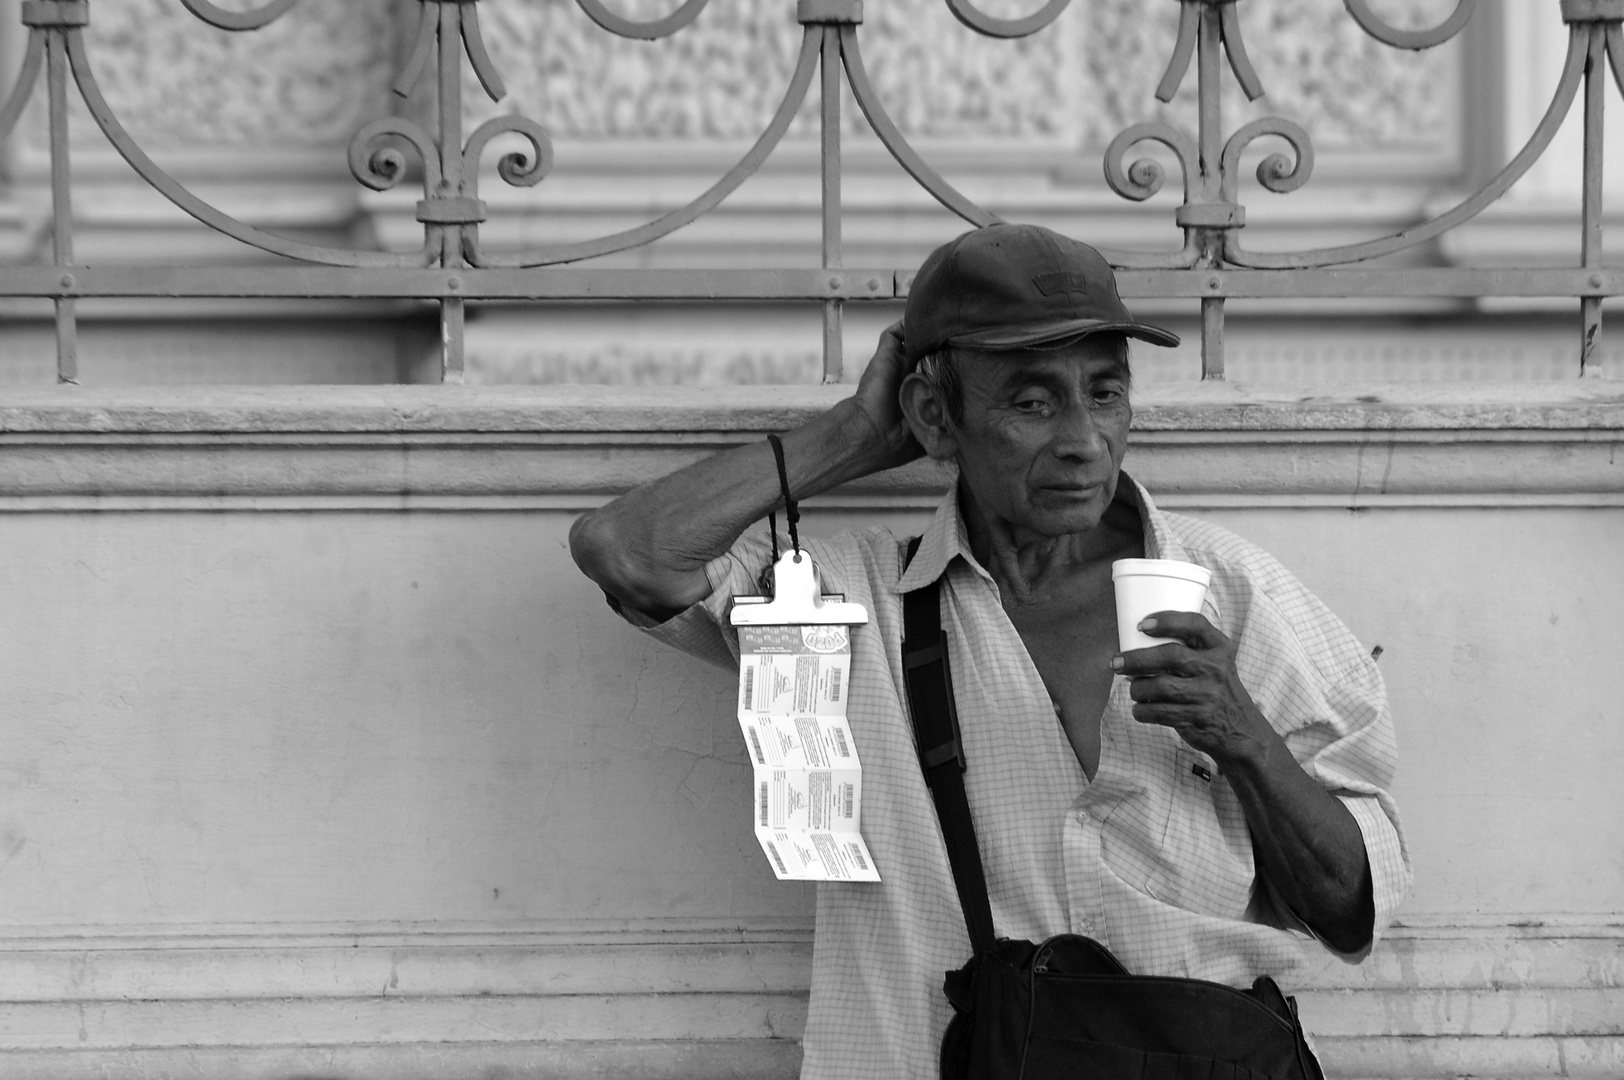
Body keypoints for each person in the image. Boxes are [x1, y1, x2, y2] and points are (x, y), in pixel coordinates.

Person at [570, 223, 1411, 1079]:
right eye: (1033, 402)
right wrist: (857, 434)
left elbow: (1353, 914)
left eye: (1106, 392)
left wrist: (1248, 742)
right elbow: (630, 551)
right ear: (937, 414)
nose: (1084, 438)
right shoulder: (853, 602)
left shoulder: (1236, 592)